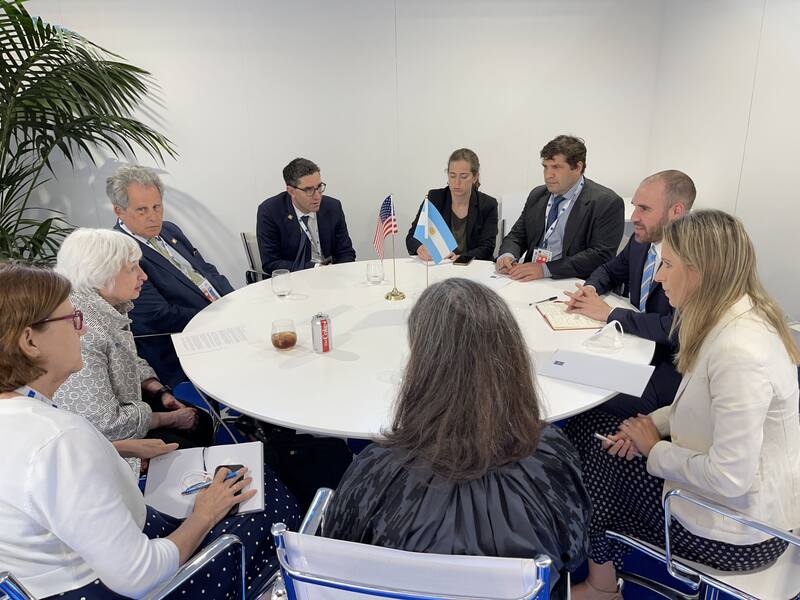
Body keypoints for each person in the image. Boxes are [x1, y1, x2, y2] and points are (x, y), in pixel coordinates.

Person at [0, 262, 300, 599]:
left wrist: (118, 448)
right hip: (125, 587)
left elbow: (31, 479)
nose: (82, 331)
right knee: (273, 497)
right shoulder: (58, 439)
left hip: (52, 579)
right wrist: (205, 514)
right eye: (73, 320)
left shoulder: (26, 421)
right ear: (30, 341)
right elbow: (140, 577)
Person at [564, 210, 800, 599]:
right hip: (750, 506)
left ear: (700, 272)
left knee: (595, 456)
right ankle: (602, 566)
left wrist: (654, 449)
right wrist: (651, 426)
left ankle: (602, 585)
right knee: (597, 432)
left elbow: (729, 478)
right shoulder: (735, 317)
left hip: (740, 535)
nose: (658, 276)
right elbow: (700, 406)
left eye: (668, 265)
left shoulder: (738, 351)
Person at [325, 278, 591, 599]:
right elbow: (571, 553)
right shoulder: (550, 456)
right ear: (512, 360)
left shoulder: (375, 472)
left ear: (421, 367)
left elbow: (338, 564)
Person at [54, 229, 214, 472]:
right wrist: (167, 419)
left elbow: (129, 358)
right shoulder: (81, 331)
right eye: (132, 268)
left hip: (130, 409)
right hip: (106, 447)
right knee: (190, 442)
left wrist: (159, 391)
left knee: (200, 422)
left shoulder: (106, 305)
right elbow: (105, 425)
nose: (144, 276)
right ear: (100, 274)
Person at [564, 170, 696, 416]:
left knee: (581, 387)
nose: (634, 217)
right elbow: (609, 271)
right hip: (630, 345)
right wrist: (589, 291)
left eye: (644, 209)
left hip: (668, 367)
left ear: (676, 211)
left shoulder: (695, 261)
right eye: (635, 207)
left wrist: (610, 313)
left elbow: (676, 327)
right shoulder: (641, 240)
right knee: (566, 363)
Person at [109, 164, 234, 387]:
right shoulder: (120, 251)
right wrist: (218, 317)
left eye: (157, 206)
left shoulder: (169, 230)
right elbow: (159, 315)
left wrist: (234, 300)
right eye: (142, 210)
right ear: (119, 211)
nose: (153, 217)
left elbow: (204, 270)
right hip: (186, 342)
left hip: (219, 318)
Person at [496, 135, 623, 280]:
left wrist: (546, 269)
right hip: (531, 277)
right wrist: (507, 255)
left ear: (578, 167)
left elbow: (600, 255)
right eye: (545, 167)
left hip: (572, 281)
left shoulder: (606, 202)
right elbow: (517, 235)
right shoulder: (537, 195)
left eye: (556, 167)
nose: (548, 175)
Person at [256, 157, 356, 274]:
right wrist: (315, 268)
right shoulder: (270, 211)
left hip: (331, 276)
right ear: (291, 191)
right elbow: (271, 263)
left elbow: (346, 252)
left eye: (319, 187)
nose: (317, 196)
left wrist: (341, 275)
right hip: (294, 280)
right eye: (309, 190)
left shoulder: (333, 206)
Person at [405, 148, 498, 260]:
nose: (457, 182)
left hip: (472, 266)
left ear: (475, 177)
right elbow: (412, 238)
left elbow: (487, 248)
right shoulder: (435, 198)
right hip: (440, 267)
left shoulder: (488, 204)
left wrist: (458, 257)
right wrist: (420, 248)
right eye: (452, 176)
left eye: (463, 177)